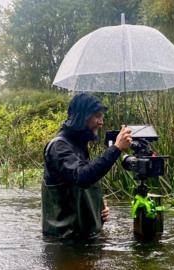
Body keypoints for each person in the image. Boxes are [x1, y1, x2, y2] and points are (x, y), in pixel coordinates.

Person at [42, 93, 132, 240]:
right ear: (81, 116)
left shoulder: (79, 146)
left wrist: (98, 207)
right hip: (64, 244)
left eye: (102, 117)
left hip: (84, 239)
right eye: (97, 116)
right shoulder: (58, 146)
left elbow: (82, 185)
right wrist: (116, 148)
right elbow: (82, 176)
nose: (101, 122)